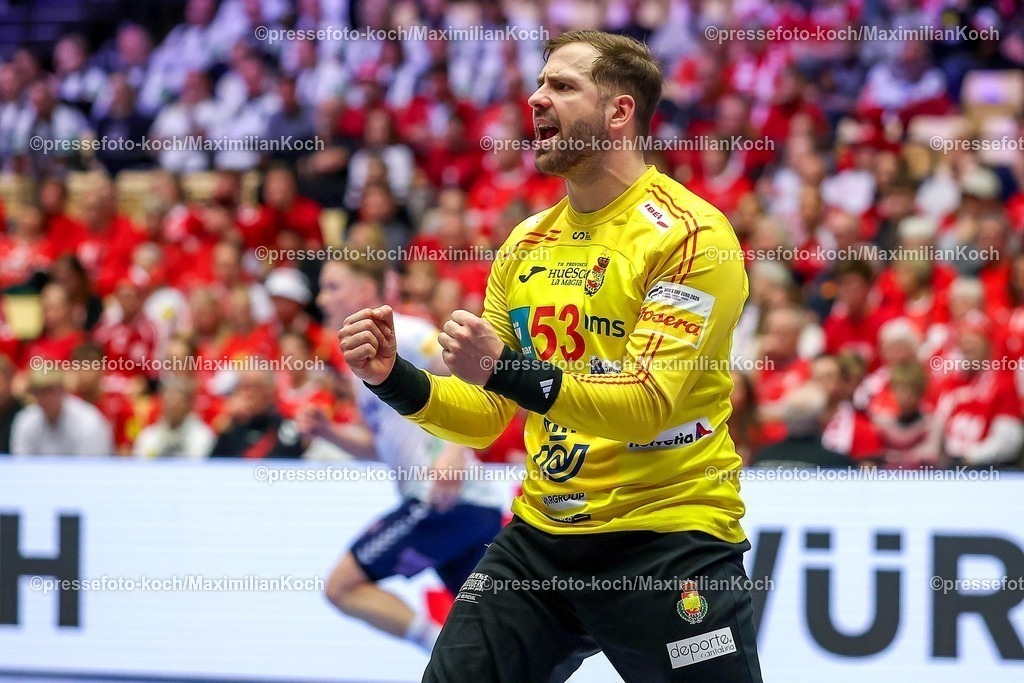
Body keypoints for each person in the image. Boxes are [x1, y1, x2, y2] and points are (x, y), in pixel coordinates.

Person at [337, 31, 763, 682]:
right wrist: (393, 378)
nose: (535, 98)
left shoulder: (691, 237)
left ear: (619, 112)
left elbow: (646, 405)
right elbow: (484, 416)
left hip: (666, 541)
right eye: (539, 83)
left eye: (562, 86)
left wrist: (505, 368)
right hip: (541, 541)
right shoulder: (525, 243)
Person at [298, 256, 503, 653]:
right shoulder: (359, 362)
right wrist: (328, 432)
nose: (322, 298)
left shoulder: (407, 335)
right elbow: (381, 447)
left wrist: (454, 452)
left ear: (366, 291)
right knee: (498, 635)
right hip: (460, 510)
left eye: (333, 287)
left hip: (446, 500)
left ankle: (442, 652)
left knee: (342, 586)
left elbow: (474, 381)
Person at [10, 368, 113, 456]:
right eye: (39, 392)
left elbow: (92, 469)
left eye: (50, 391)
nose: (45, 398)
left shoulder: (88, 422)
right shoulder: (25, 421)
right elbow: (22, 467)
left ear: (63, 390)